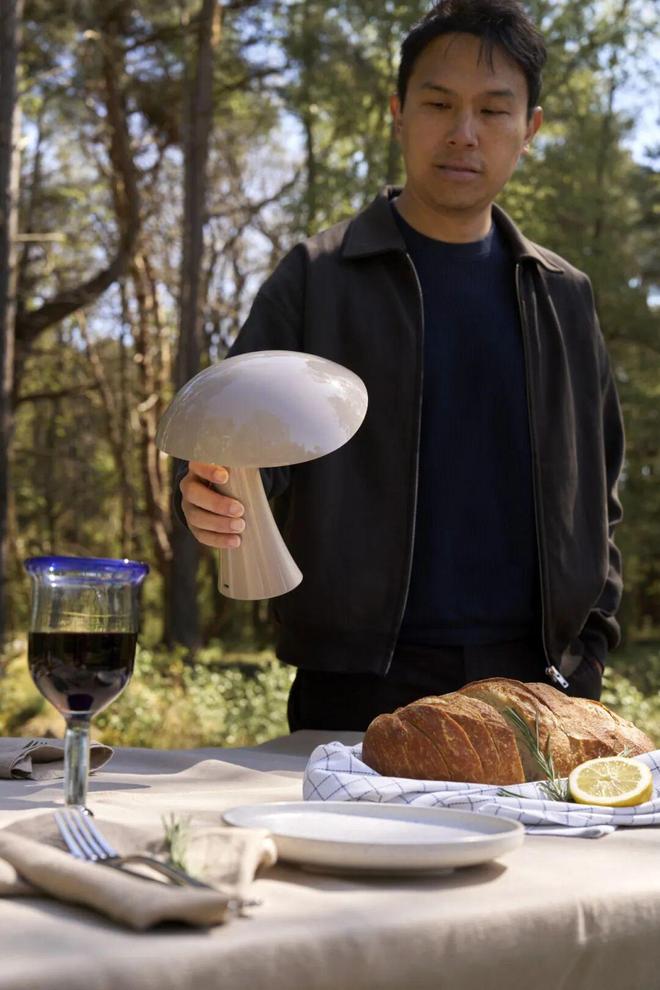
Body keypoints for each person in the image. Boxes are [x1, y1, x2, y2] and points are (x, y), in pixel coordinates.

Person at [175, 0, 624, 732]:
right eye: (439, 104)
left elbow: (602, 495)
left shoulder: (563, 296)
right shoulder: (317, 277)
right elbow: (232, 444)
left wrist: (590, 651)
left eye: (493, 110)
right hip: (354, 689)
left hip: (542, 689)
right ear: (398, 112)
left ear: (530, 129)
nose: (464, 133)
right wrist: (209, 491)